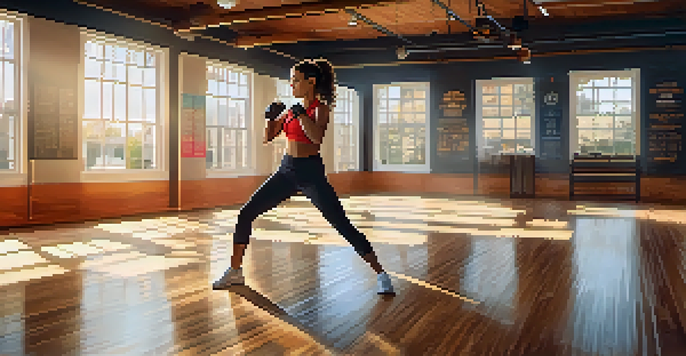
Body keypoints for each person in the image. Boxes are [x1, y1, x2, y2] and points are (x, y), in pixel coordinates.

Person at [213, 58, 395, 295]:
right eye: (291, 81)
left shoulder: (319, 109)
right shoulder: (291, 111)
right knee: (246, 212)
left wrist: (301, 115)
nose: (292, 86)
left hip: (311, 172)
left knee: (341, 224)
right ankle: (235, 271)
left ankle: (381, 274)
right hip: (287, 170)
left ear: (311, 82)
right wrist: (270, 117)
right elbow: (268, 137)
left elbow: (315, 137)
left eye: (296, 81)